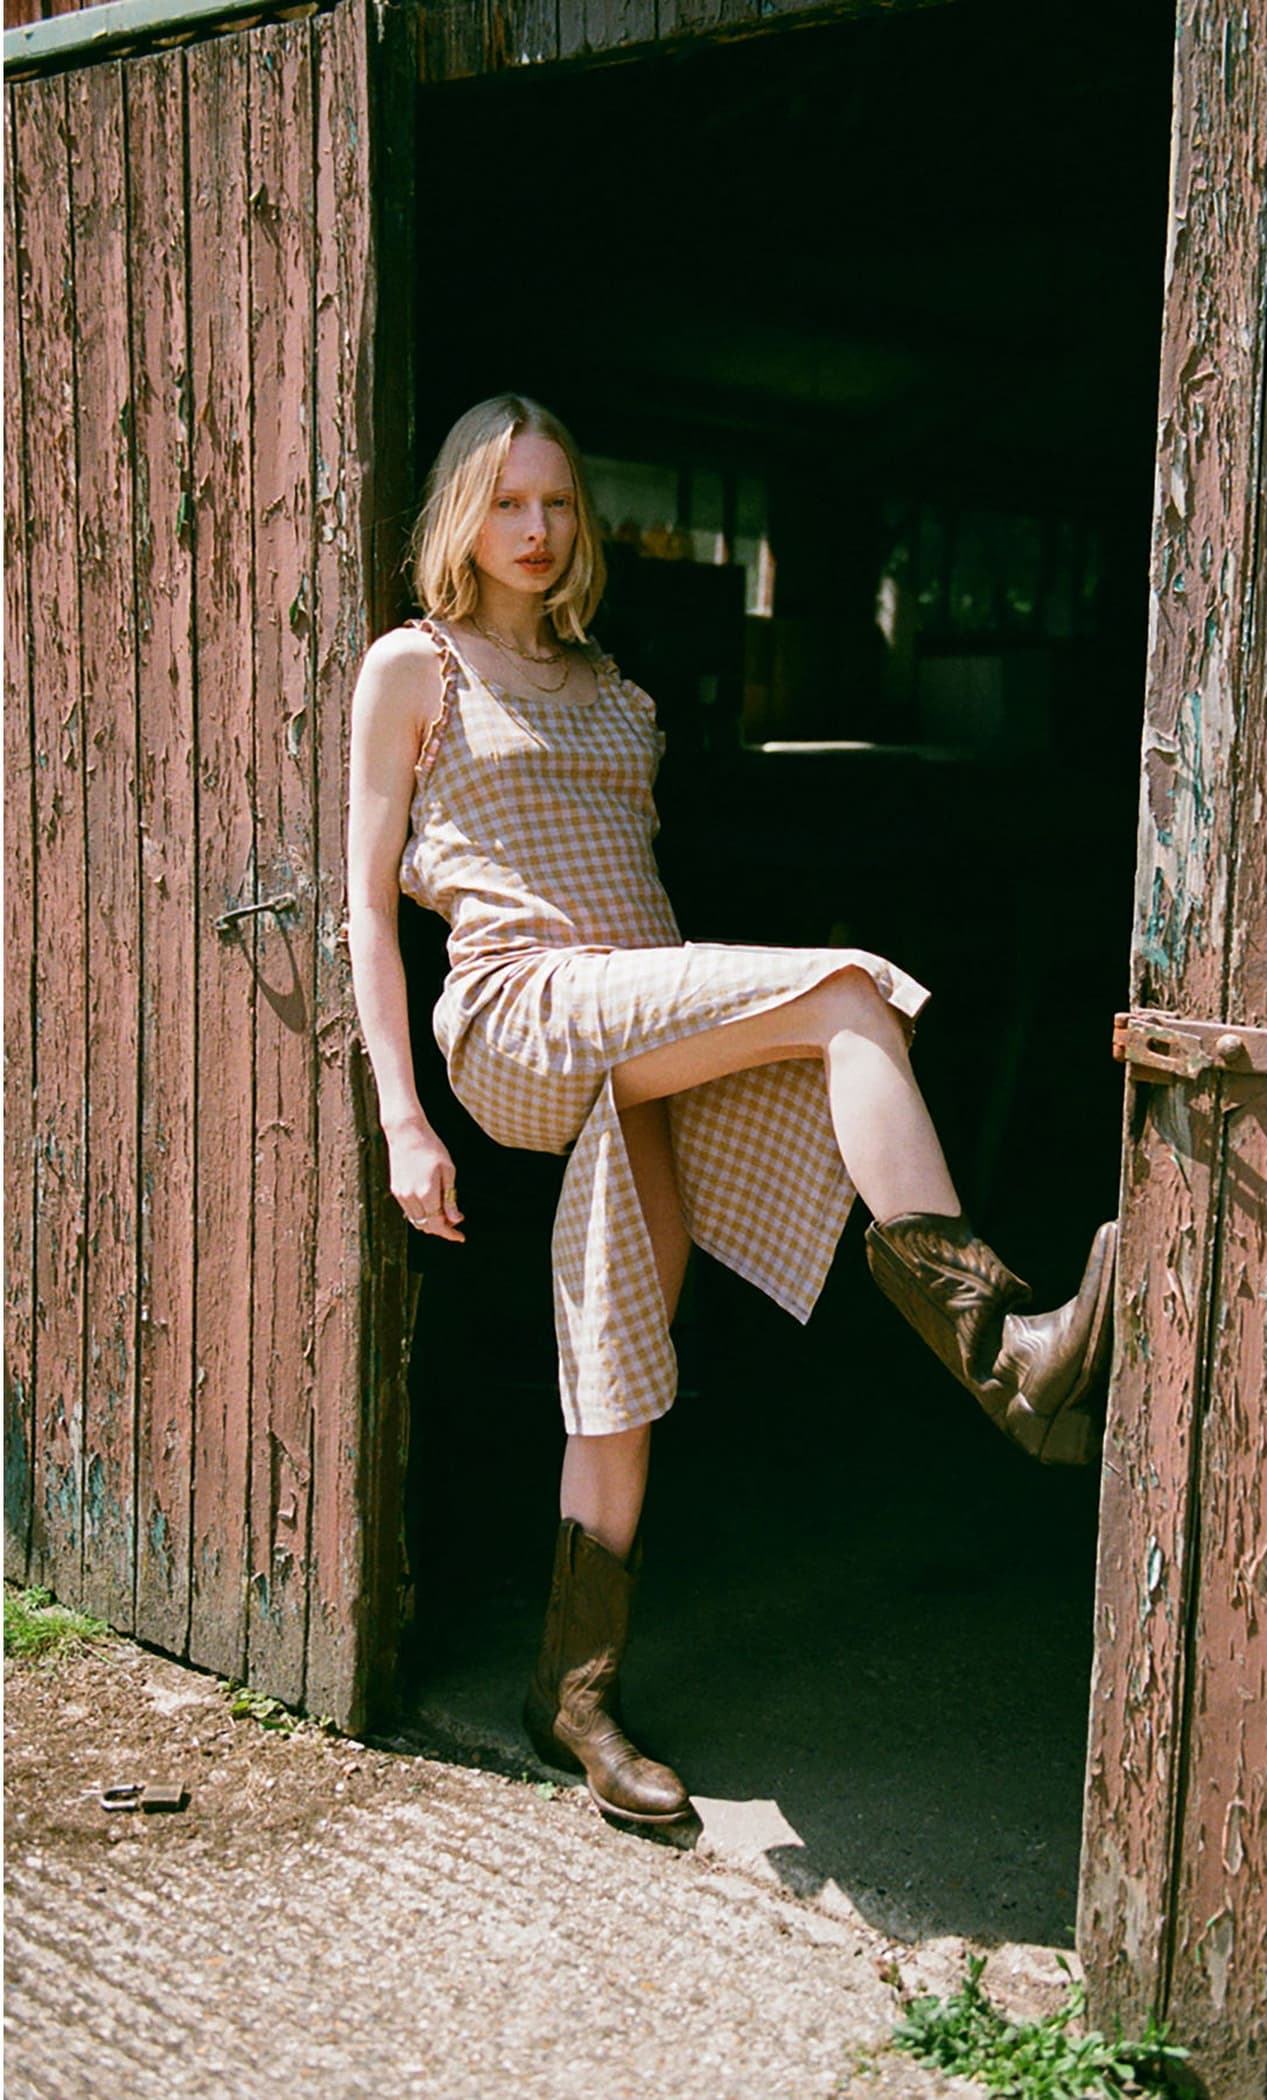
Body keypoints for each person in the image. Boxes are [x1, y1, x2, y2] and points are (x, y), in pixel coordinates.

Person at [346, 394, 1116, 1830]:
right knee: (851, 994)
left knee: (623, 1351)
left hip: (636, 1028)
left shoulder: (611, 685)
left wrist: (697, 1026)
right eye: (506, 501)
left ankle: (571, 1693)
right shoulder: (414, 665)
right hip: (521, 1010)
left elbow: (631, 885)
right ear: (461, 512)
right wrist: (403, 1115)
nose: (535, 528)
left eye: (557, 503)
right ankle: (1002, 1351)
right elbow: (367, 909)